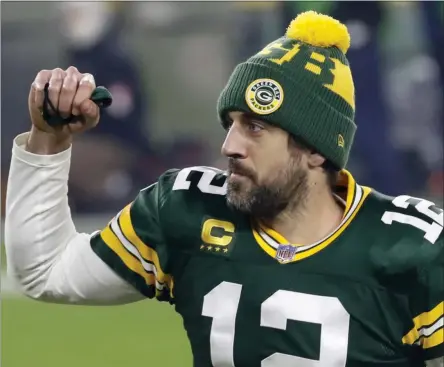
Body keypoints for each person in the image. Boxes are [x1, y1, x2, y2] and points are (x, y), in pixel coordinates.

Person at [5, 11, 443, 367]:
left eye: (255, 128)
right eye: (230, 124)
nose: (229, 146)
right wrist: (48, 142)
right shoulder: (185, 210)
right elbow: (46, 273)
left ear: (315, 150)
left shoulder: (414, 249)